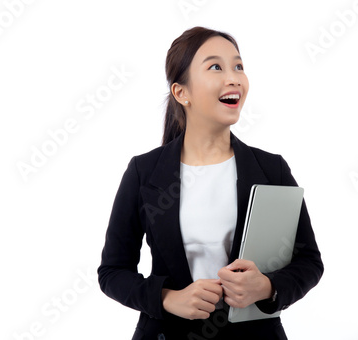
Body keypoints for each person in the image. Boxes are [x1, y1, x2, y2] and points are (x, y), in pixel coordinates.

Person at [97, 26, 324, 340]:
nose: (233, 78)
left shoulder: (272, 169)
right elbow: (112, 272)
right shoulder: (144, 171)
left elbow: (309, 260)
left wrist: (267, 286)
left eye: (238, 66)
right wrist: (167, 298)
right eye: (216, 66)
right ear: (182, 93)